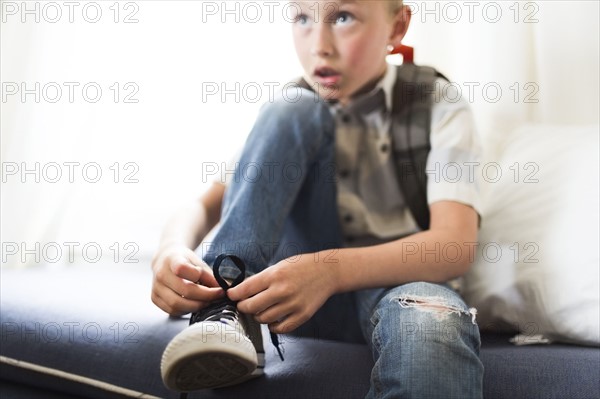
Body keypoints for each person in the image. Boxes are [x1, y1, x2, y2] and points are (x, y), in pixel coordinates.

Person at [151, 1, 484, 397]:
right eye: (302, 18)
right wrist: (170, 249)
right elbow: (205, 206)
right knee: (291, 108)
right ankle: (223, 316)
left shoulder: (435, 101)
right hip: (285, 299)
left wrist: (330, 270)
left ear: (397, 27)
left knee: (433, 321)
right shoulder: (288, 111)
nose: (319, 46)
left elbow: (454, 245)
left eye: (343, 18)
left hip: (397, 284)